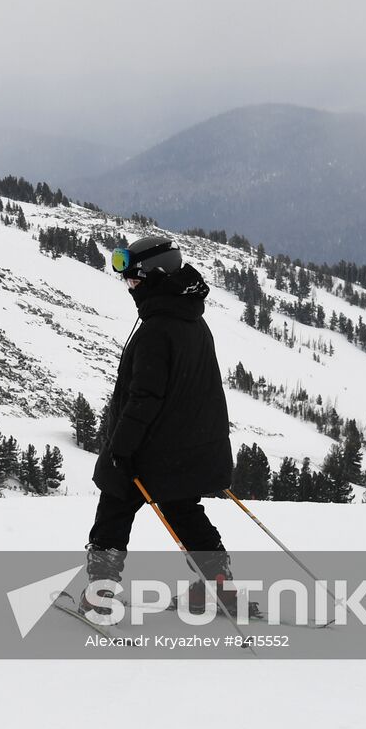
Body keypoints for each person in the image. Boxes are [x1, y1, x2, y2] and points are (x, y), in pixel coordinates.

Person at [84, 236, 246, 617]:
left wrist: (119, 449)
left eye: (135, 280)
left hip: (152, 449)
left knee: (115, 506)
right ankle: (217, 586)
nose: (129, 287)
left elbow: (145, 398)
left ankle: (100, 595)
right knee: (183, 510)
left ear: (156, 278)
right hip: (190, 447)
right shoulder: (191, 318)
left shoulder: (157, 329)